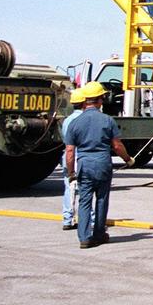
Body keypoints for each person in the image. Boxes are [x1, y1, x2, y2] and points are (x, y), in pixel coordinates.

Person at [63, 81, 131, 249]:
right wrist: (127, 159)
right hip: (102, 164)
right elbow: (117, 145)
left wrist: (71, 172)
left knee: (84, 201)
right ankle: (99, 234)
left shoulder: (74, 123)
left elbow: (70, 151)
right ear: (100, 100)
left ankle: (84, 238)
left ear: (85, 100)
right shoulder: (107, 120)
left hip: (84, 165)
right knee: (102, 200)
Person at [60, 87, 86, 231]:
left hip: (68, 158)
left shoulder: (67, 120)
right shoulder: (83, 119)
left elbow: (66, 142)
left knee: (68, 187)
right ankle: (89, 220)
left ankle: (67, 219)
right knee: (84, 190)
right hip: (79, 157)